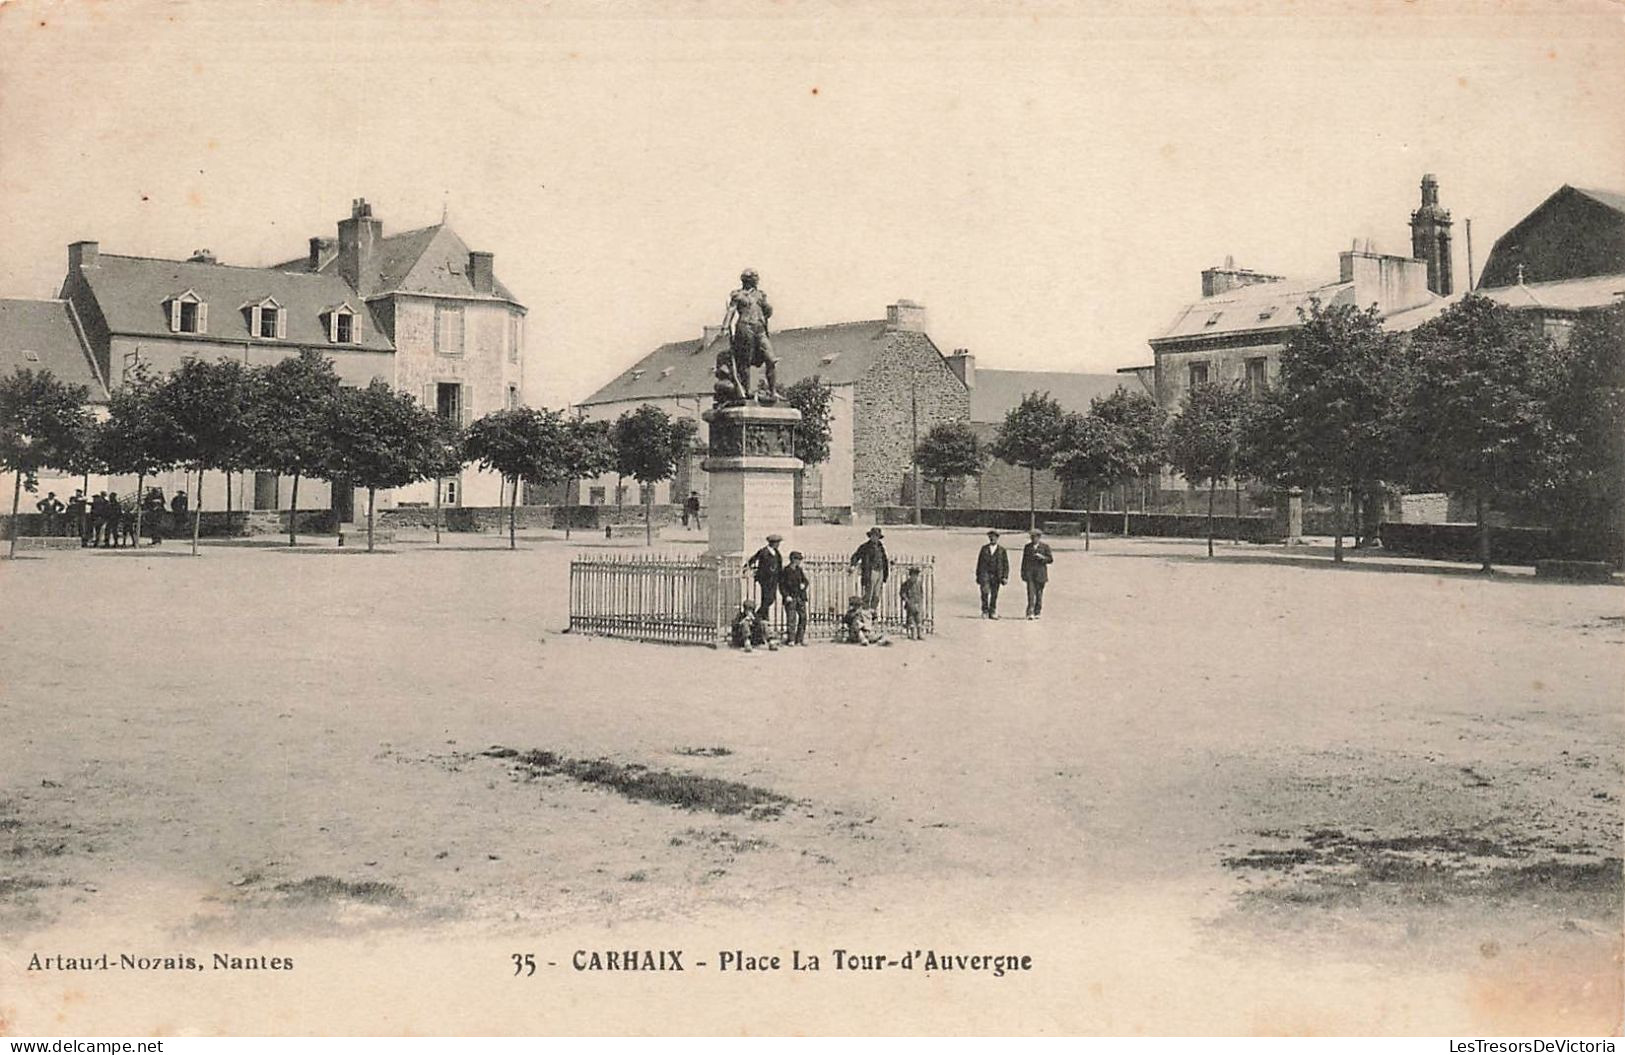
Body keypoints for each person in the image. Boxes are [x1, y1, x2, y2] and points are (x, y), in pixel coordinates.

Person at [717, 268, 779, 402]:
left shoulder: (761, 295)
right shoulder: (738, 295)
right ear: (747, 280)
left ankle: (773, 391)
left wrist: (767, 306)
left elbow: (768, 312)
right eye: (755, 278)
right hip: (745, 327)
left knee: (771, 359)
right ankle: (746, 390)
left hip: (760, 329)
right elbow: (731, 310)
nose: (757, 281)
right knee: (745, 361)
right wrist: (725, 327)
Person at [744, 533, 785, 624]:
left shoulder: (777, 553)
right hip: (765, 579)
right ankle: (760, 617)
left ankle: (760, 617)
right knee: (767, 598)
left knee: (771, 599)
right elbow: (753, 559)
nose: (778, 545)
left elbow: (779, 565)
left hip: (774, 579)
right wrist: (747, 568)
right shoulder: (763, 551)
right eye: (777, 543)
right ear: (772, 543)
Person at [849, 527, 889, 612]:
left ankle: (872, 611)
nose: (875, 538)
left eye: (877, 536)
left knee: (877, 594)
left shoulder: (881, 547)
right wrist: (853, 565)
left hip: (880, 572)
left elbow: (884, 559)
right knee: (868, 593)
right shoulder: (865, 547)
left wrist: (885, 573)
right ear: (870, 536)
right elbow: (856, 556)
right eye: (873, 536)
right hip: (870, 572)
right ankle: (865, 611)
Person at [975, 529, 1011, 619]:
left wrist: (1005, 576)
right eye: (990, 537)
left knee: (994, 594)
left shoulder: (1002, 550)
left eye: (994, 537)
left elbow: (1006, 564)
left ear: (997, 538)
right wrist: (978, 576)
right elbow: (979, 563)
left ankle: (993, 611)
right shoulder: (984, 549)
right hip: (985, 574)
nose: (992, 539)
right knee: (984, 592)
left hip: (996, 575)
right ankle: (985, 611)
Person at [1021, 528, 1054, 619]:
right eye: (1032, 537)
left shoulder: (1045, 547)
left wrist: (1042, 557)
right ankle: (1030, 612)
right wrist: (1023, 573)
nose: (1033, 539)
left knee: (1039, 594)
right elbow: (1024, 561)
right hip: (1030, 574)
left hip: (1040, 574)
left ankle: (1037, 611)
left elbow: (1050, 559)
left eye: (1035, 537)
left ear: (1039, 537)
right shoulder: (1027, 547)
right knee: (1031, 594)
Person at [779, 550, 810, 646]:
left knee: (803, 617)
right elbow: (782, 585)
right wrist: (786, 596)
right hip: (791, 598)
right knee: (791, 619)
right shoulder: (786, 570)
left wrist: (803, 585)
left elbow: (806, 581)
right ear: (792, 559)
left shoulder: (799, 570)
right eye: (798, 559)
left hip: (800, 597)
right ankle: (791, 639)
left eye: (800, 560)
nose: (799, 561)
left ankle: (800, 639)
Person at [900, 565, 925, 640]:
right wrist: (907, 600)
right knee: (911, 620)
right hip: (910, 604)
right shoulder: (906, 584)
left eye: (916, 575)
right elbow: (902, 593)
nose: (915, 577)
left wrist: (920, 602)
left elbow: (921, 593)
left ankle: (919, 634)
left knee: (919, 619)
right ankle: (912, 634)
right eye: (913, 575)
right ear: (910, 575)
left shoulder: (919, 583)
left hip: (917, 603)